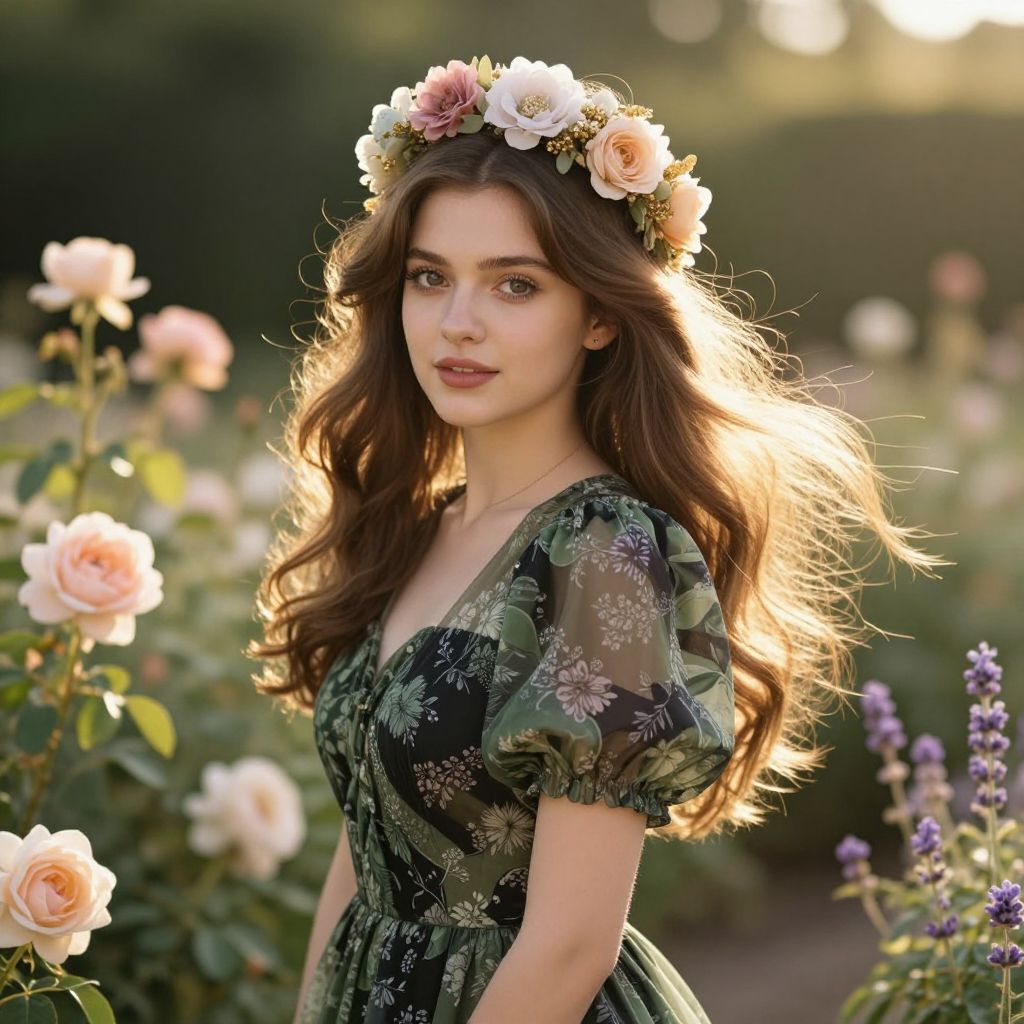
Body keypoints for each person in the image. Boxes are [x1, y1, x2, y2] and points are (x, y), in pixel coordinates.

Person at [248, 55, 942, 1023]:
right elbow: (368, 848)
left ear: (601, 318)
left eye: (515, 285)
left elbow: (572, 941)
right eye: (429, 277)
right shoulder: (417, 524)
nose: (457, 323)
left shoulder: (603, 552)